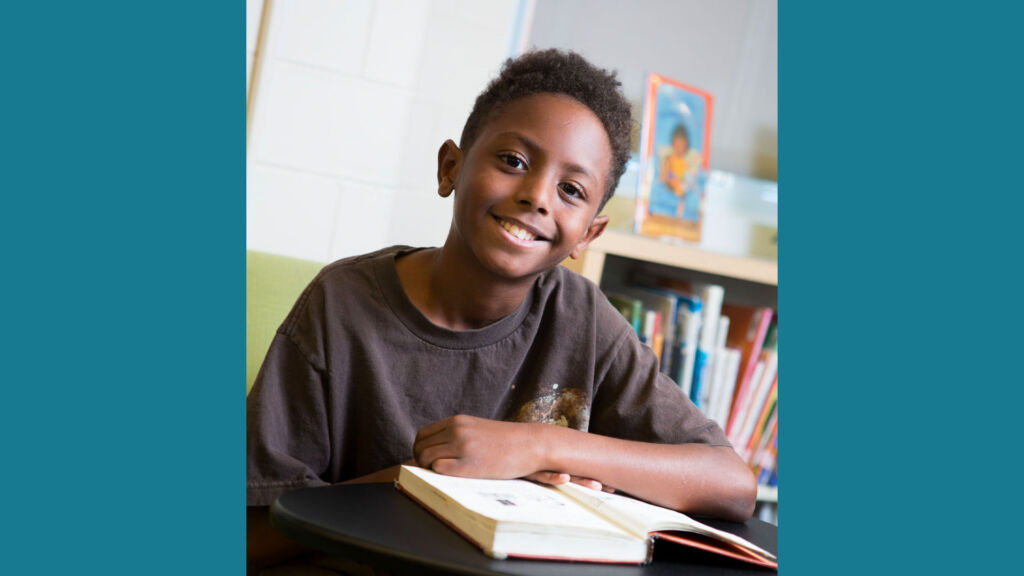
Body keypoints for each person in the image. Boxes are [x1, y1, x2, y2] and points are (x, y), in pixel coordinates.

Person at [247, 48, 756, 573]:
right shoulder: (342, 303)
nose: (537, 196)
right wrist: (428, 477)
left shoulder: (583, 318)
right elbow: (250, 537)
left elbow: (731, 483)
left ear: (588, 235)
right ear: (450, 167)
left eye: (571, 190)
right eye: (513, 161)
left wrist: (539, 447)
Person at [660, 123, 702, 219]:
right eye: (677, 145)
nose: (679, 149)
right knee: (678, 186)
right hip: (672, 181)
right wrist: (669, 177)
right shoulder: (669, 158)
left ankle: (680, 207)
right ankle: (678, 203)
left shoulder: (687, 160)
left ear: (686, 146)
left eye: (682, 146)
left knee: (689, 181)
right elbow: (664, 176)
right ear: (673, 144)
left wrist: (687, 179)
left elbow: (690, 173)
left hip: (682, 183)